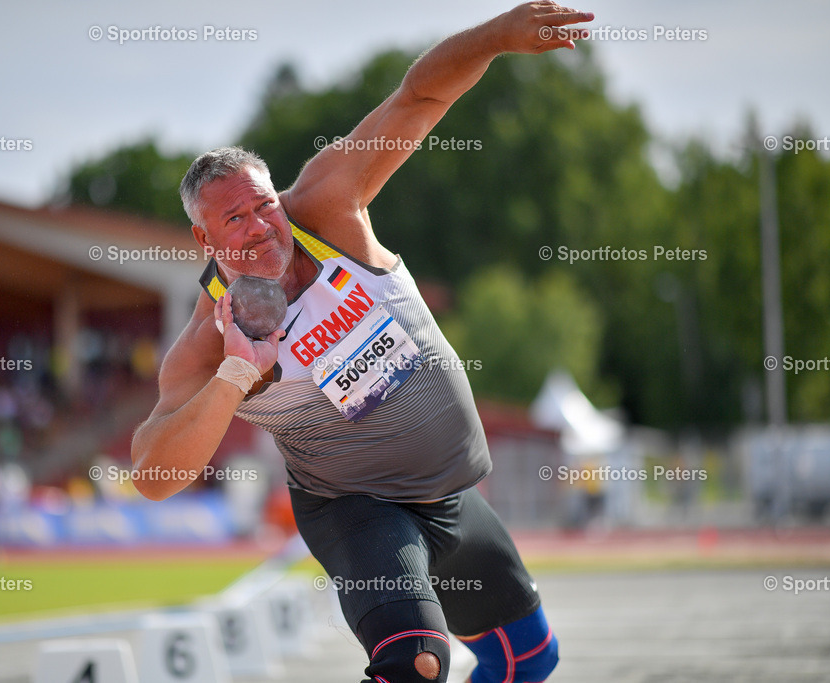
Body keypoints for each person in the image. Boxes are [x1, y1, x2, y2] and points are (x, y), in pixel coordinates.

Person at [131, 3, 594, 681]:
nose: (260, 226)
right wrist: (234, 376)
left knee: (529, 659)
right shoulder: (209, 339)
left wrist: (496, 37)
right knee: (415, 661)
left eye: (264, 204)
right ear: (205, 239)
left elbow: (418, 98)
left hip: (449, 495)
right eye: (235, 218)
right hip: (356, 508)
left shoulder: (327, 208)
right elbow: (151, 475)